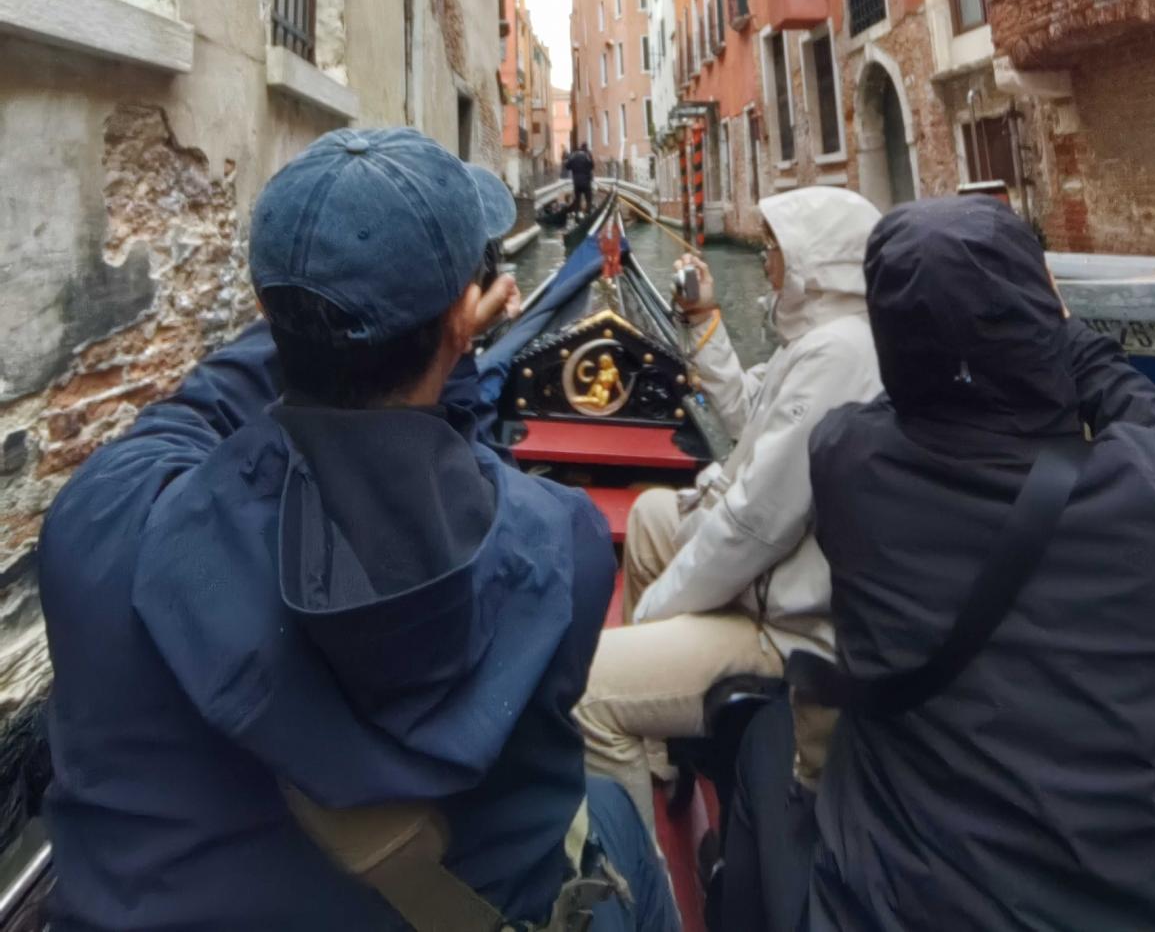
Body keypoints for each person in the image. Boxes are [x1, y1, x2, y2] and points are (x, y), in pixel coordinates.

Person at [39, 129, 678, 932]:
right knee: (615, 819)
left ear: (267, 311)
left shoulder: (99, 520)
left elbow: (197, 409)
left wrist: (318, 312)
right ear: (457, 322)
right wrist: (454, 353)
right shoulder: (564, 544)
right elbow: (455, 484)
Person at [801, 195, 1155, 932]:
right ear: (1043, 316)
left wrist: (975, 335)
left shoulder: (846, 462)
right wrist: (1066, 338)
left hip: (898, 904)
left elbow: (911, 396)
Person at [576, 186, 882, 830]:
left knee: (586, 692)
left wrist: (656, 614)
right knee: (656, 516)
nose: (767, 258)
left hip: (789, 626)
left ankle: (638, 887)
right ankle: (661, 750)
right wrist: (706, 320)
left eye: (775, 247)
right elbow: (747, 415)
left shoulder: (840, 353)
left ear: (814, 263)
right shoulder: (817, 339)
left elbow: (754, 525)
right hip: (773, 579)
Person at [565, 139, 595, 215]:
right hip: (586, 182)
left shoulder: (574, 156)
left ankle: (577, 214)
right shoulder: (587, 155)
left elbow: (567, 166)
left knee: (577, 199)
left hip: (576, 182)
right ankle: (588, 213)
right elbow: (592, 166)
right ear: (586, 148)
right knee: (588, 198)